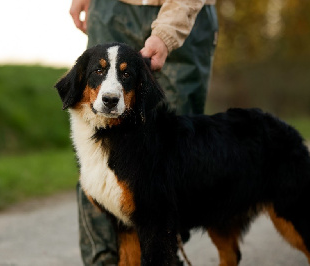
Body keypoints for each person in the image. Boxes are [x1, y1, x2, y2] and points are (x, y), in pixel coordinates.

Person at [69, 0, 218, 264]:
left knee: (178, 150)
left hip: (185, 13)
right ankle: (102, 261)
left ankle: (163, 256)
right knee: (94, 143)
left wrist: (167, 32)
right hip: (111, 8)